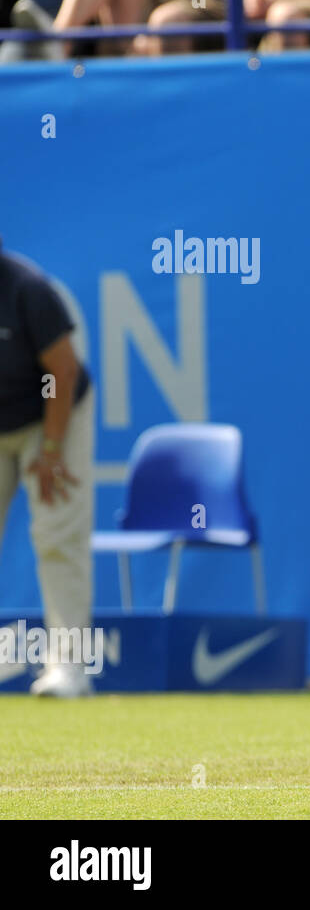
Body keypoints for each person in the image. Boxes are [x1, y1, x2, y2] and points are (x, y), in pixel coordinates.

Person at [0, 240, 95, 698]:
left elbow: (61, 369)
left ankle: (69, 669)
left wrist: (52, 450)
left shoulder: (28, 290)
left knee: (58, 534)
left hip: (52, 415)